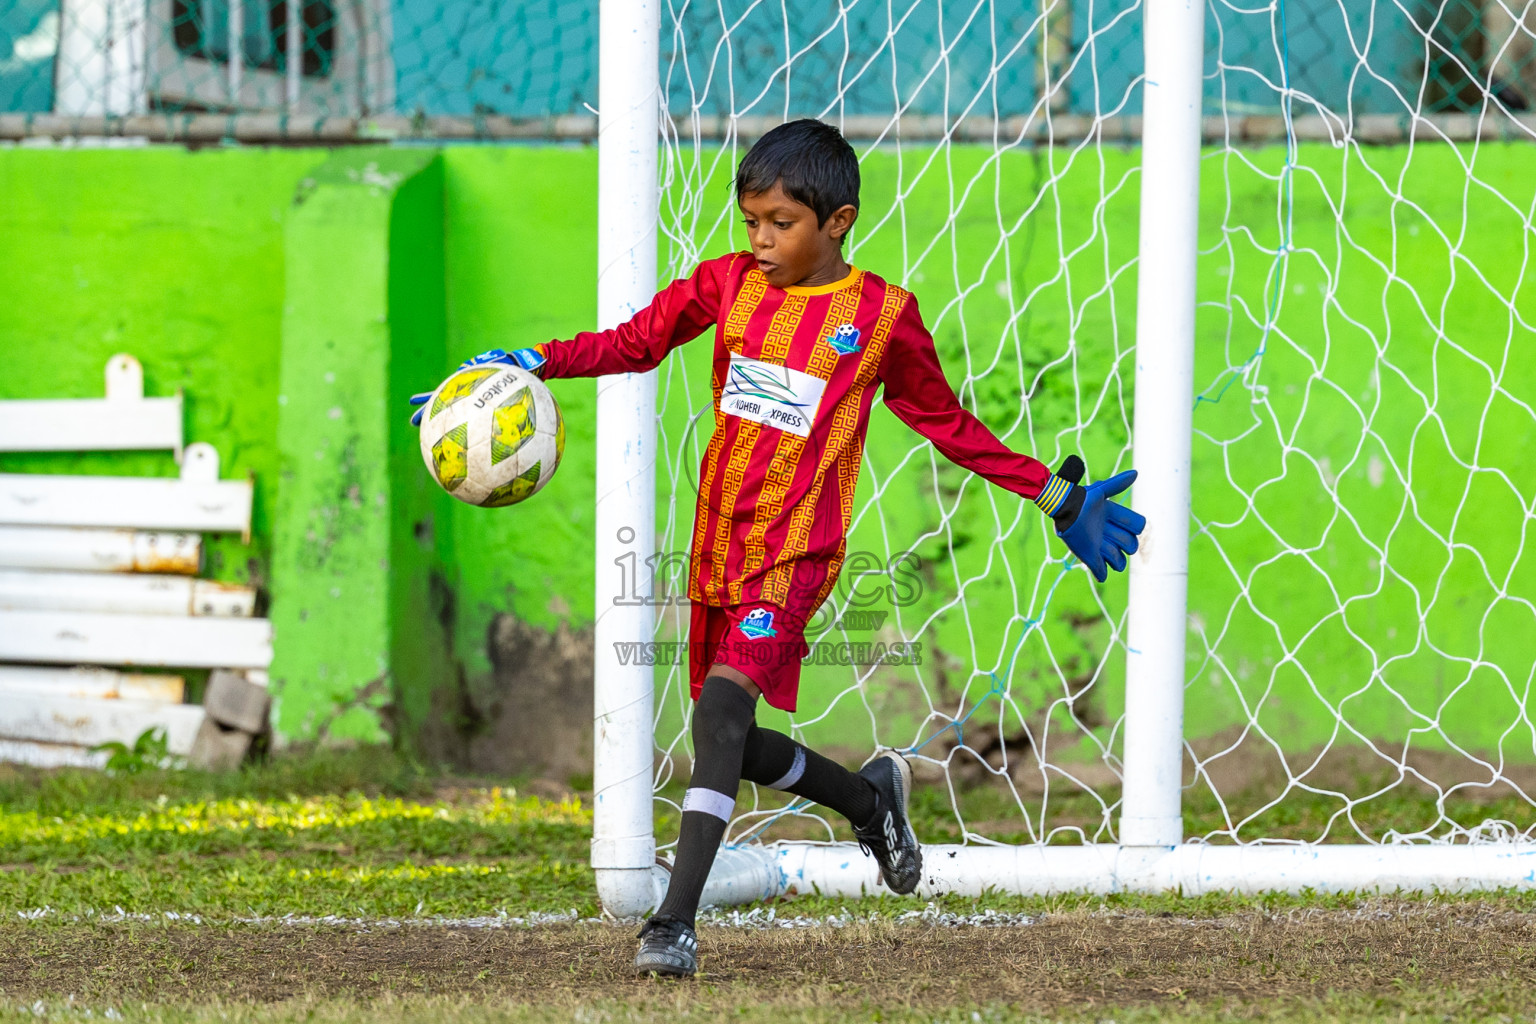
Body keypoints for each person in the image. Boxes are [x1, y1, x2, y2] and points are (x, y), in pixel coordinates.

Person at [408, 118, 1145, 978]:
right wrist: (532, 362)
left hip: (797, 558)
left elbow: (947, 424)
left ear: (838, 221)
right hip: (717, 549)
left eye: (780, 223)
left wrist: (1054, 494)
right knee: (734, 740)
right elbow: (636, 343)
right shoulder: (726, 283)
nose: (759, 239)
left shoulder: (882, 318)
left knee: (719, 718)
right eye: (751, 221)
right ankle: (869, 800)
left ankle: (673, 925)